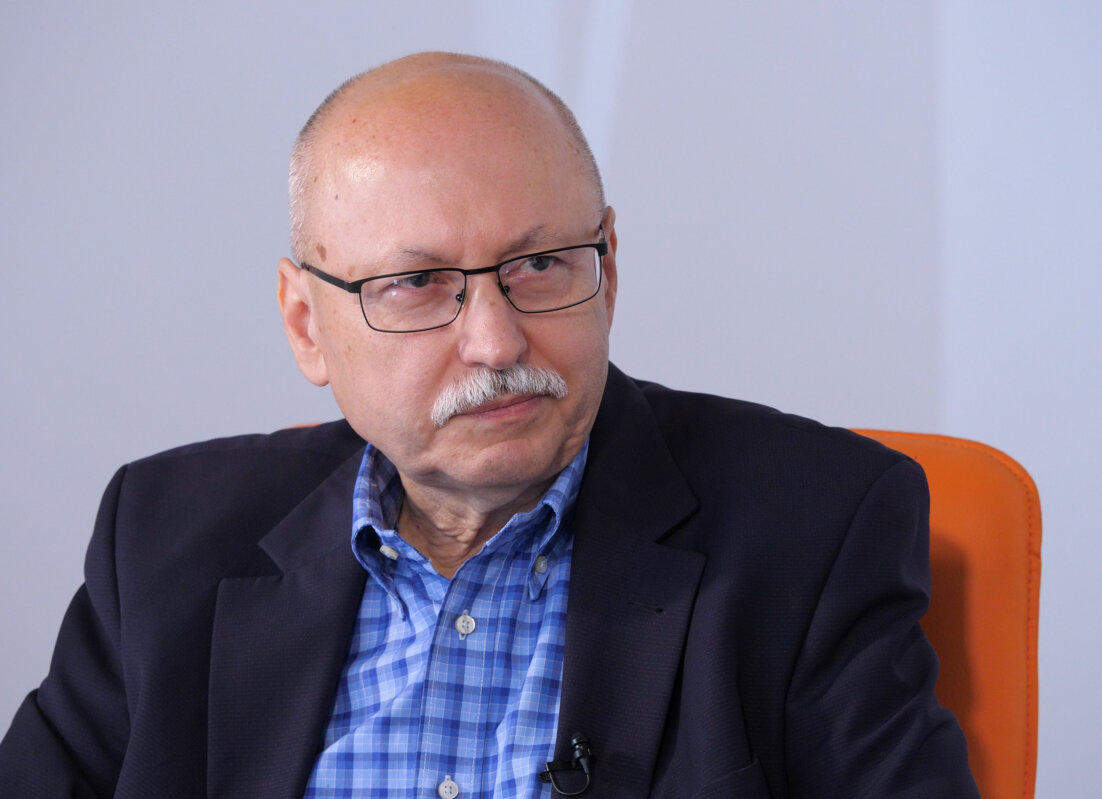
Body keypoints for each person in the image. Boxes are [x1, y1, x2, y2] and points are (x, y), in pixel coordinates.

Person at [0, 53, 978, 797]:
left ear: (609, 270)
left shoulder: (816, 527)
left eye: (541, 265)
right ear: (306, 323)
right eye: (418, 282)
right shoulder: (163, 537)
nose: (496, 340)